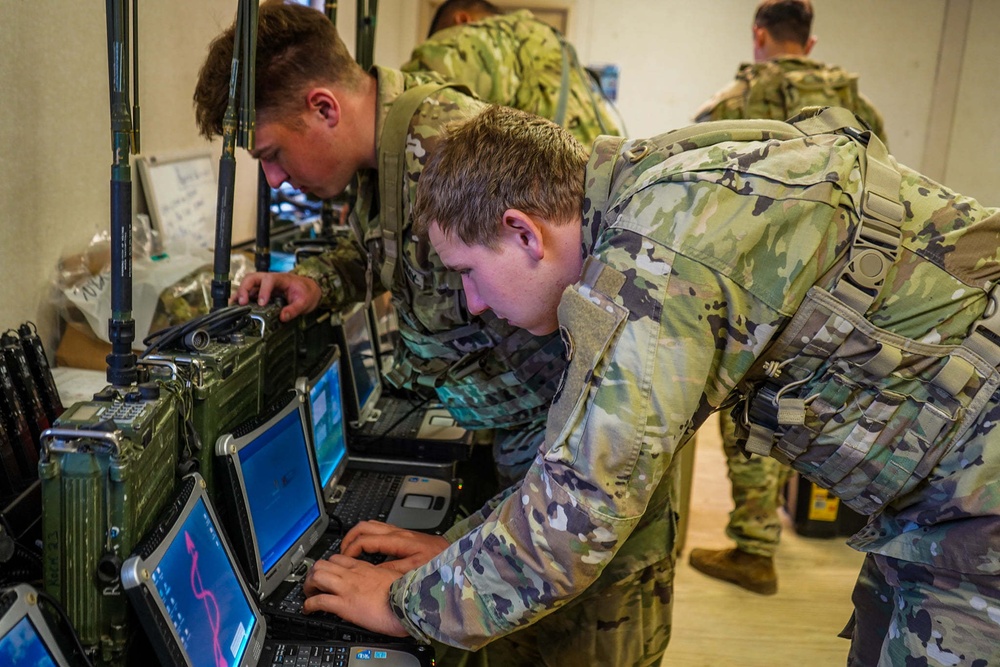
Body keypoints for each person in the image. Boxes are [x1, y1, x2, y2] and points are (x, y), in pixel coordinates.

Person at [302, 104, 1000, 665]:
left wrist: (402, 604)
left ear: (522, 233)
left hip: (977, 491)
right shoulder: (649, 192)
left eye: (467, 272)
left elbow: (575, 517)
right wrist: (460, 546)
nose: (475, 302)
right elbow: (573, 455)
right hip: (941, 498)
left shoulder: (656, 256)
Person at [192, 1, 568, 492]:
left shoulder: (450, 152)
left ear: (323, 108)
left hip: (565, 453)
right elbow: (394, 252)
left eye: (272, 154)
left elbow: (566, 292)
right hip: (522, 435)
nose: (276, 179)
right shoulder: (385, 156)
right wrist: (317, 282)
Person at [688, 0, 888, 596]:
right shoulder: (862, 109)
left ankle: (754, 548)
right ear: (811, 39)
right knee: (802, 404)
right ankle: (792, 526)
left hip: (751, 291)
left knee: (745, 415)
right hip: (835, 293)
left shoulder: (728, 106)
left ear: (759, 36)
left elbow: (700, 206)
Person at [402, 0, 624, 147]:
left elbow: (406, 109)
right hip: (604, 191)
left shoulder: (476, 38)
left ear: (462, 21)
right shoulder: (552, 43)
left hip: (555, 200)